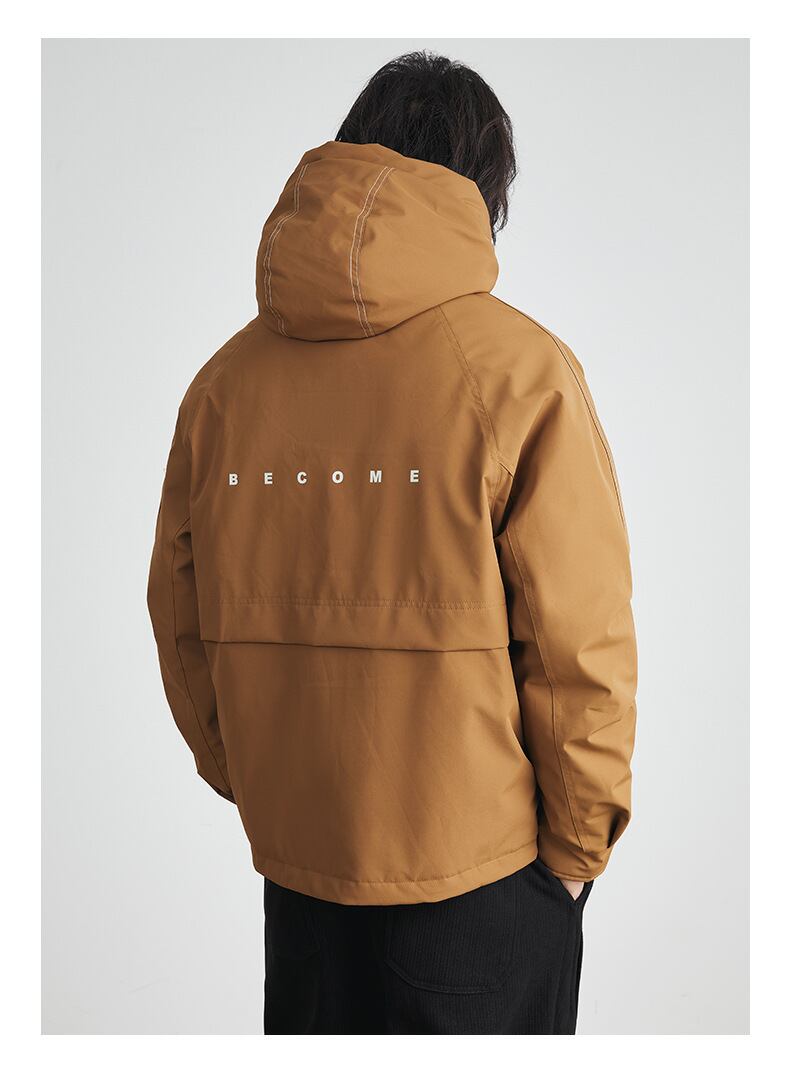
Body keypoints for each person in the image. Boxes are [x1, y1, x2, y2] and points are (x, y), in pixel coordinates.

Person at [148, 51, 637, 1035]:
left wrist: (267, 787)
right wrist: (577, 852)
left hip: (301, 880)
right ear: (484, 189)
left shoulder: (222, 387)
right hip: (484, 890)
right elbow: (579, 644)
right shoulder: (519, 372)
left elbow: (180, 617)